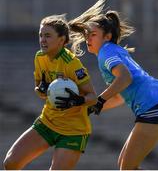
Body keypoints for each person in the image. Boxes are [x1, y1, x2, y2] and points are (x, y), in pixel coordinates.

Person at [67, 0, 158, 169]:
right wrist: (90, 107)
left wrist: (100, 100)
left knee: (127, 167)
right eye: (86, 35)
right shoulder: (112, 50)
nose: (88, 38)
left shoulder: (106, 52)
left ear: (107, 36)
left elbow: (125, 78)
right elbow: (119, 97)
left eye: (93, 35)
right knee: (125, 165)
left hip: (154, 105)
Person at [3, 14, 97, 170]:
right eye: (41, 35)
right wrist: (42, 90)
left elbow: (92, 97)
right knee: (11, 163)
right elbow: (39, 91)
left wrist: (76, 101)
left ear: (61, 39)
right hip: (48, 122)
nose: (42, 40)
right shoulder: (40, 57)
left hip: (73, 130)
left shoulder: (72, 64)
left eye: (47, 36)